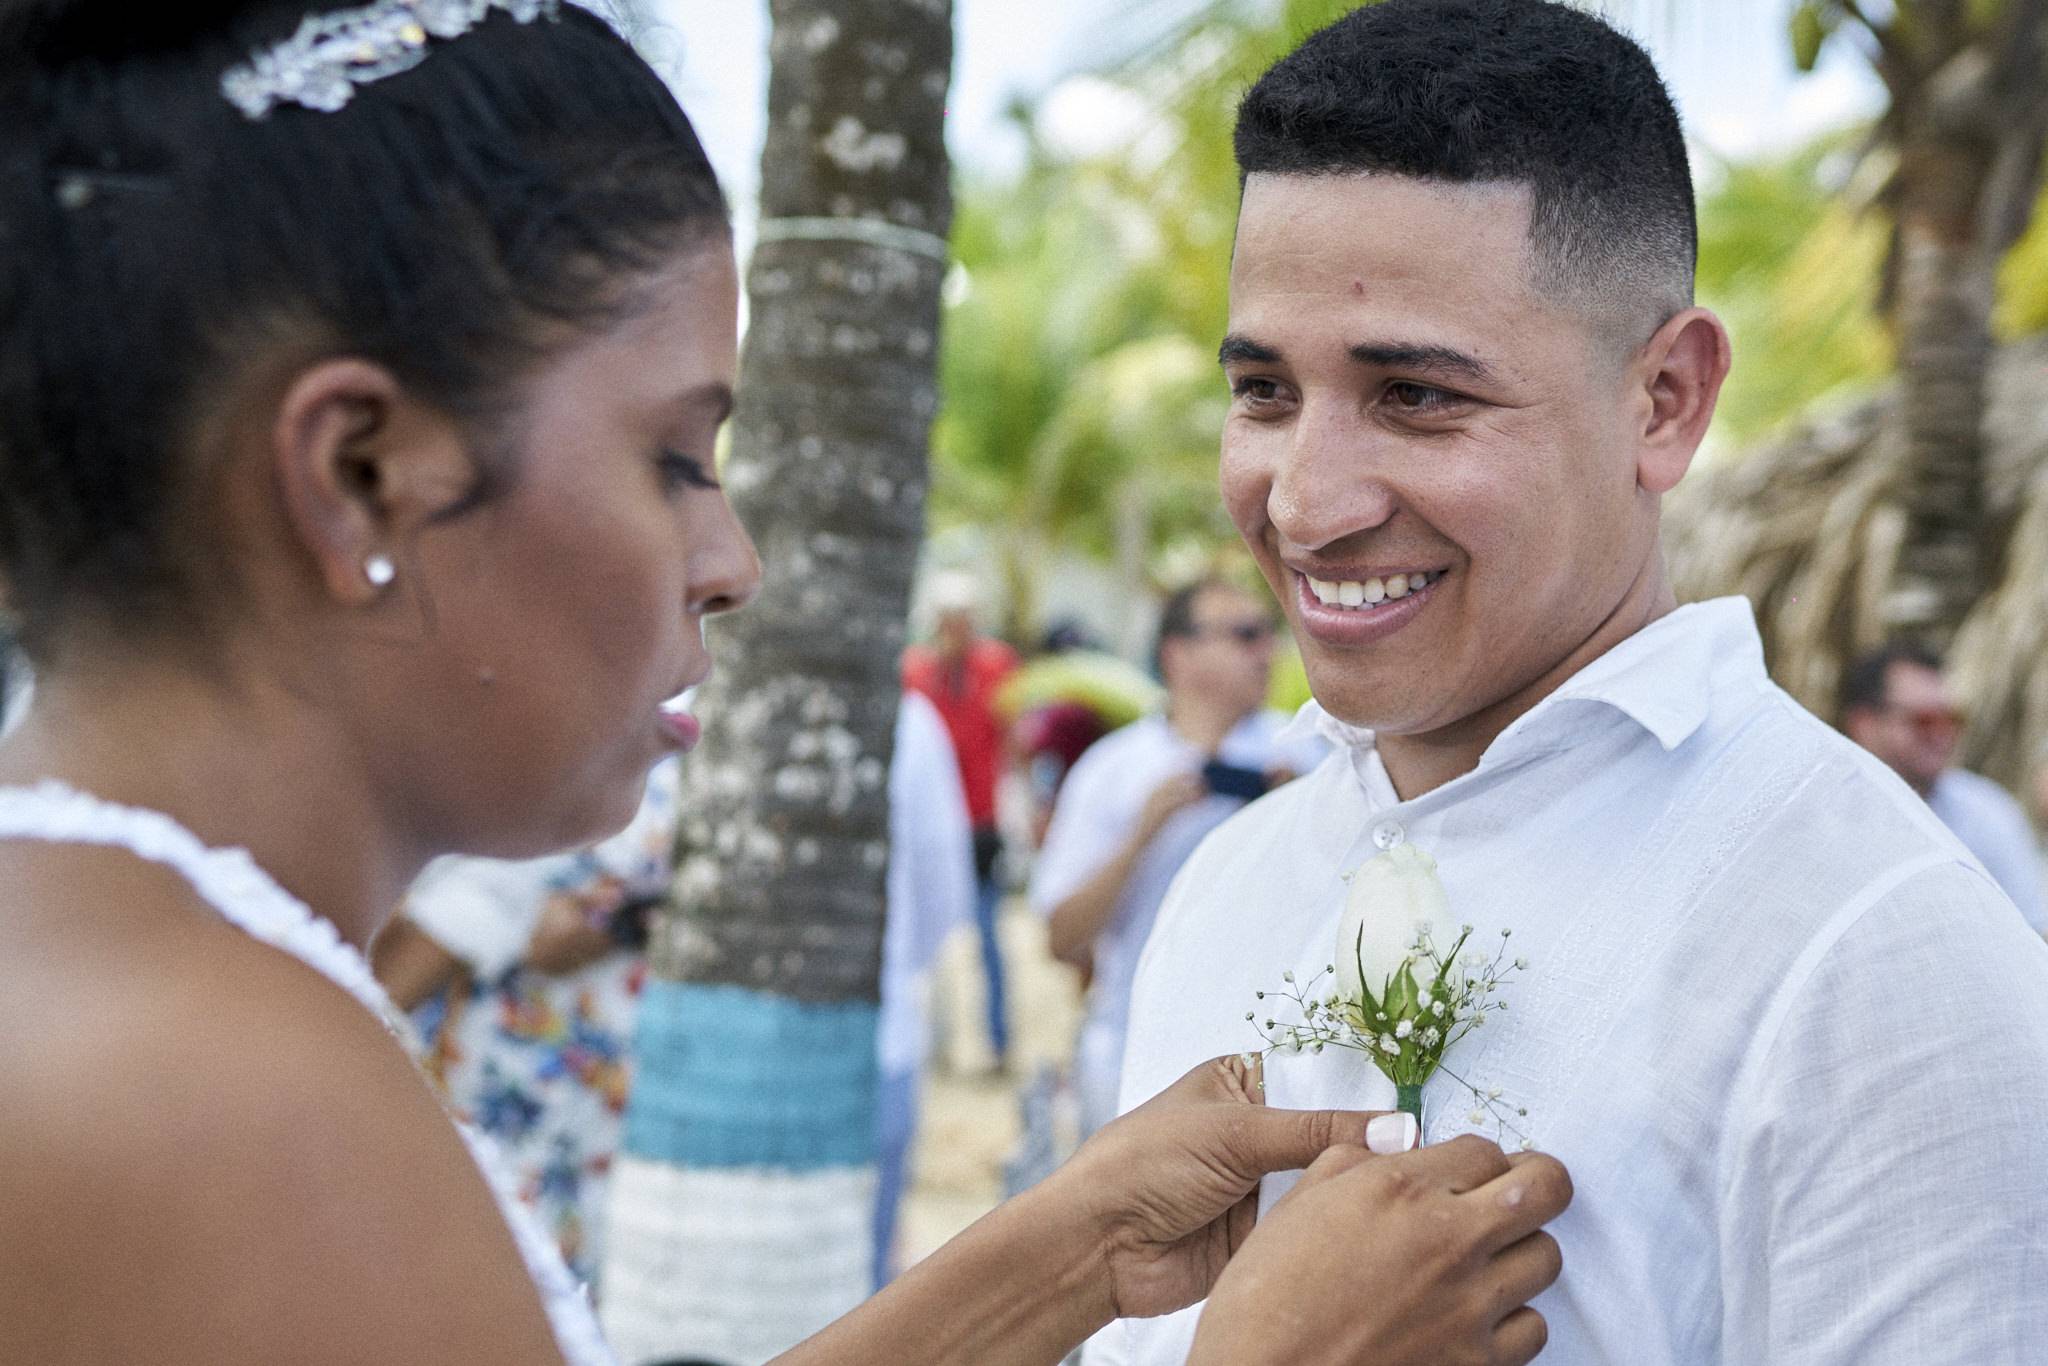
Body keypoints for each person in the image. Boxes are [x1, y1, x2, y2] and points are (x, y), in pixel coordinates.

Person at [0, 4, 1570, 1366]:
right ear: (362, 475)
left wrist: (1068, 1253)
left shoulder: (124, 968)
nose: (730, 557)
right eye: (675, 456)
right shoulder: (215, 1091)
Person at [1091, 3, 2048, 1365]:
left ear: (1664, 399)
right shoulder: (1226, 886)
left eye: (1417, 394)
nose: (1304, 500)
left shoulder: (1875, 959)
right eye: (1263, 390)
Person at [369, 759, 683, 1287]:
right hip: (586, 1142)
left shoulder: (525, 802)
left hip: (501, 1144)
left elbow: (386, 986)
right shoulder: (643, 787)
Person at [1031, 579, 1324, 1136]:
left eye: (1270, 633)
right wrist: (1143, 836)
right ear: (1177, 654)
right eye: (1244, 635)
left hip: (1277, 1057)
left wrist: (1298, 811)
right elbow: (1061, 937)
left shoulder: (1305, 756)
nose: (1267, 650)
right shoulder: (1113, 769)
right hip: (1135, 1049)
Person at [873, 691, 977, 1287]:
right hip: (878, 1032)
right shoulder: (906, 718)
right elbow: (944, 895)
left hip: (880, 1035)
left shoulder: (909, 720)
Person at [1840, 643, 2048, 933]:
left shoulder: (1988, 810)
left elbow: (2032, 933)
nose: (1940, 734)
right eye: (1923, 720)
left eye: (1950, 719)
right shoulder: (1828, 814)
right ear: (1864, 723)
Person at [902, 571, 1020, 1067]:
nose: (958, 627)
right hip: (932, 824)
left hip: (981, 821)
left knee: (989, 936)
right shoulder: (914, 671)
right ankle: (938, 1044)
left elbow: (1014, 739)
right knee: (926, 935)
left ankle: (996, 1043)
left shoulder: (998, 667)